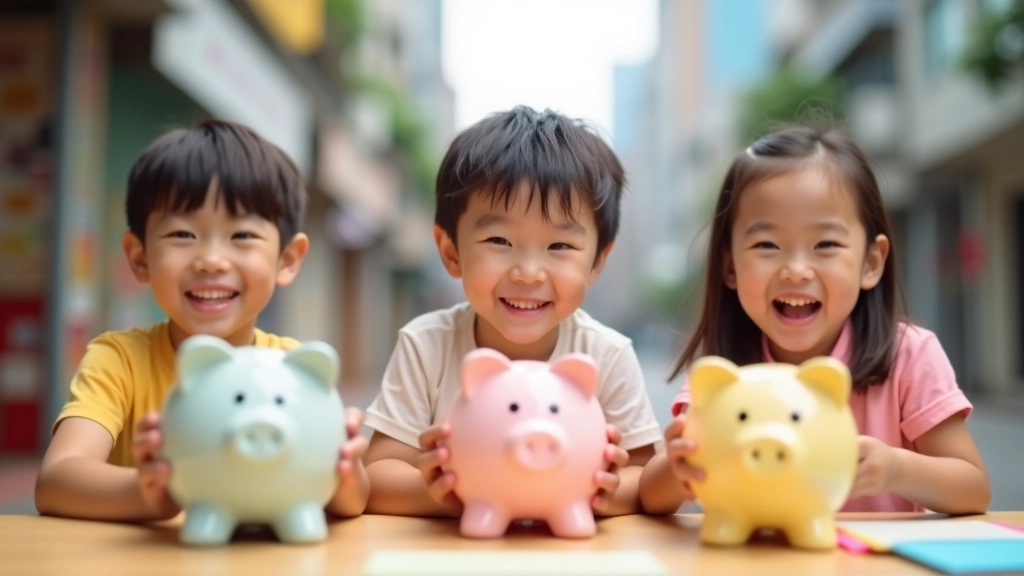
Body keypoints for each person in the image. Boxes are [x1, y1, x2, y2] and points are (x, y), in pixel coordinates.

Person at [639, 125, 990, 515]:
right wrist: (677, 467)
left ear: (870, 262)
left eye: (826, 244)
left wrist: (896, 469)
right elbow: (652, 498)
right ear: (729, 265)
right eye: (766, 245)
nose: (796, 270)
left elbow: (973, 489)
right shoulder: (725, 372)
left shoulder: (908, 354)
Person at [35, 120, 370, 521]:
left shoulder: (293, 369)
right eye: (183, 234)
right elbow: (56, 479)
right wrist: (149, 491)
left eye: (242, 235)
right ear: (140, 258)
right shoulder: (119, 360)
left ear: (287, 259)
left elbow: (352, 503)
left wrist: (345, 469)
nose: (211, 260)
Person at [363, 106, 661, 517]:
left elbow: (647, 478)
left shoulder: (606, 355)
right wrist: (444, 490)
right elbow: (376, 475)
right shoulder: (427, 344)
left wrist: (602, 491)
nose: (527, 273)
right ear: (451, 252)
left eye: (560, 246)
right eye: (500, 241)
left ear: (597, 262)